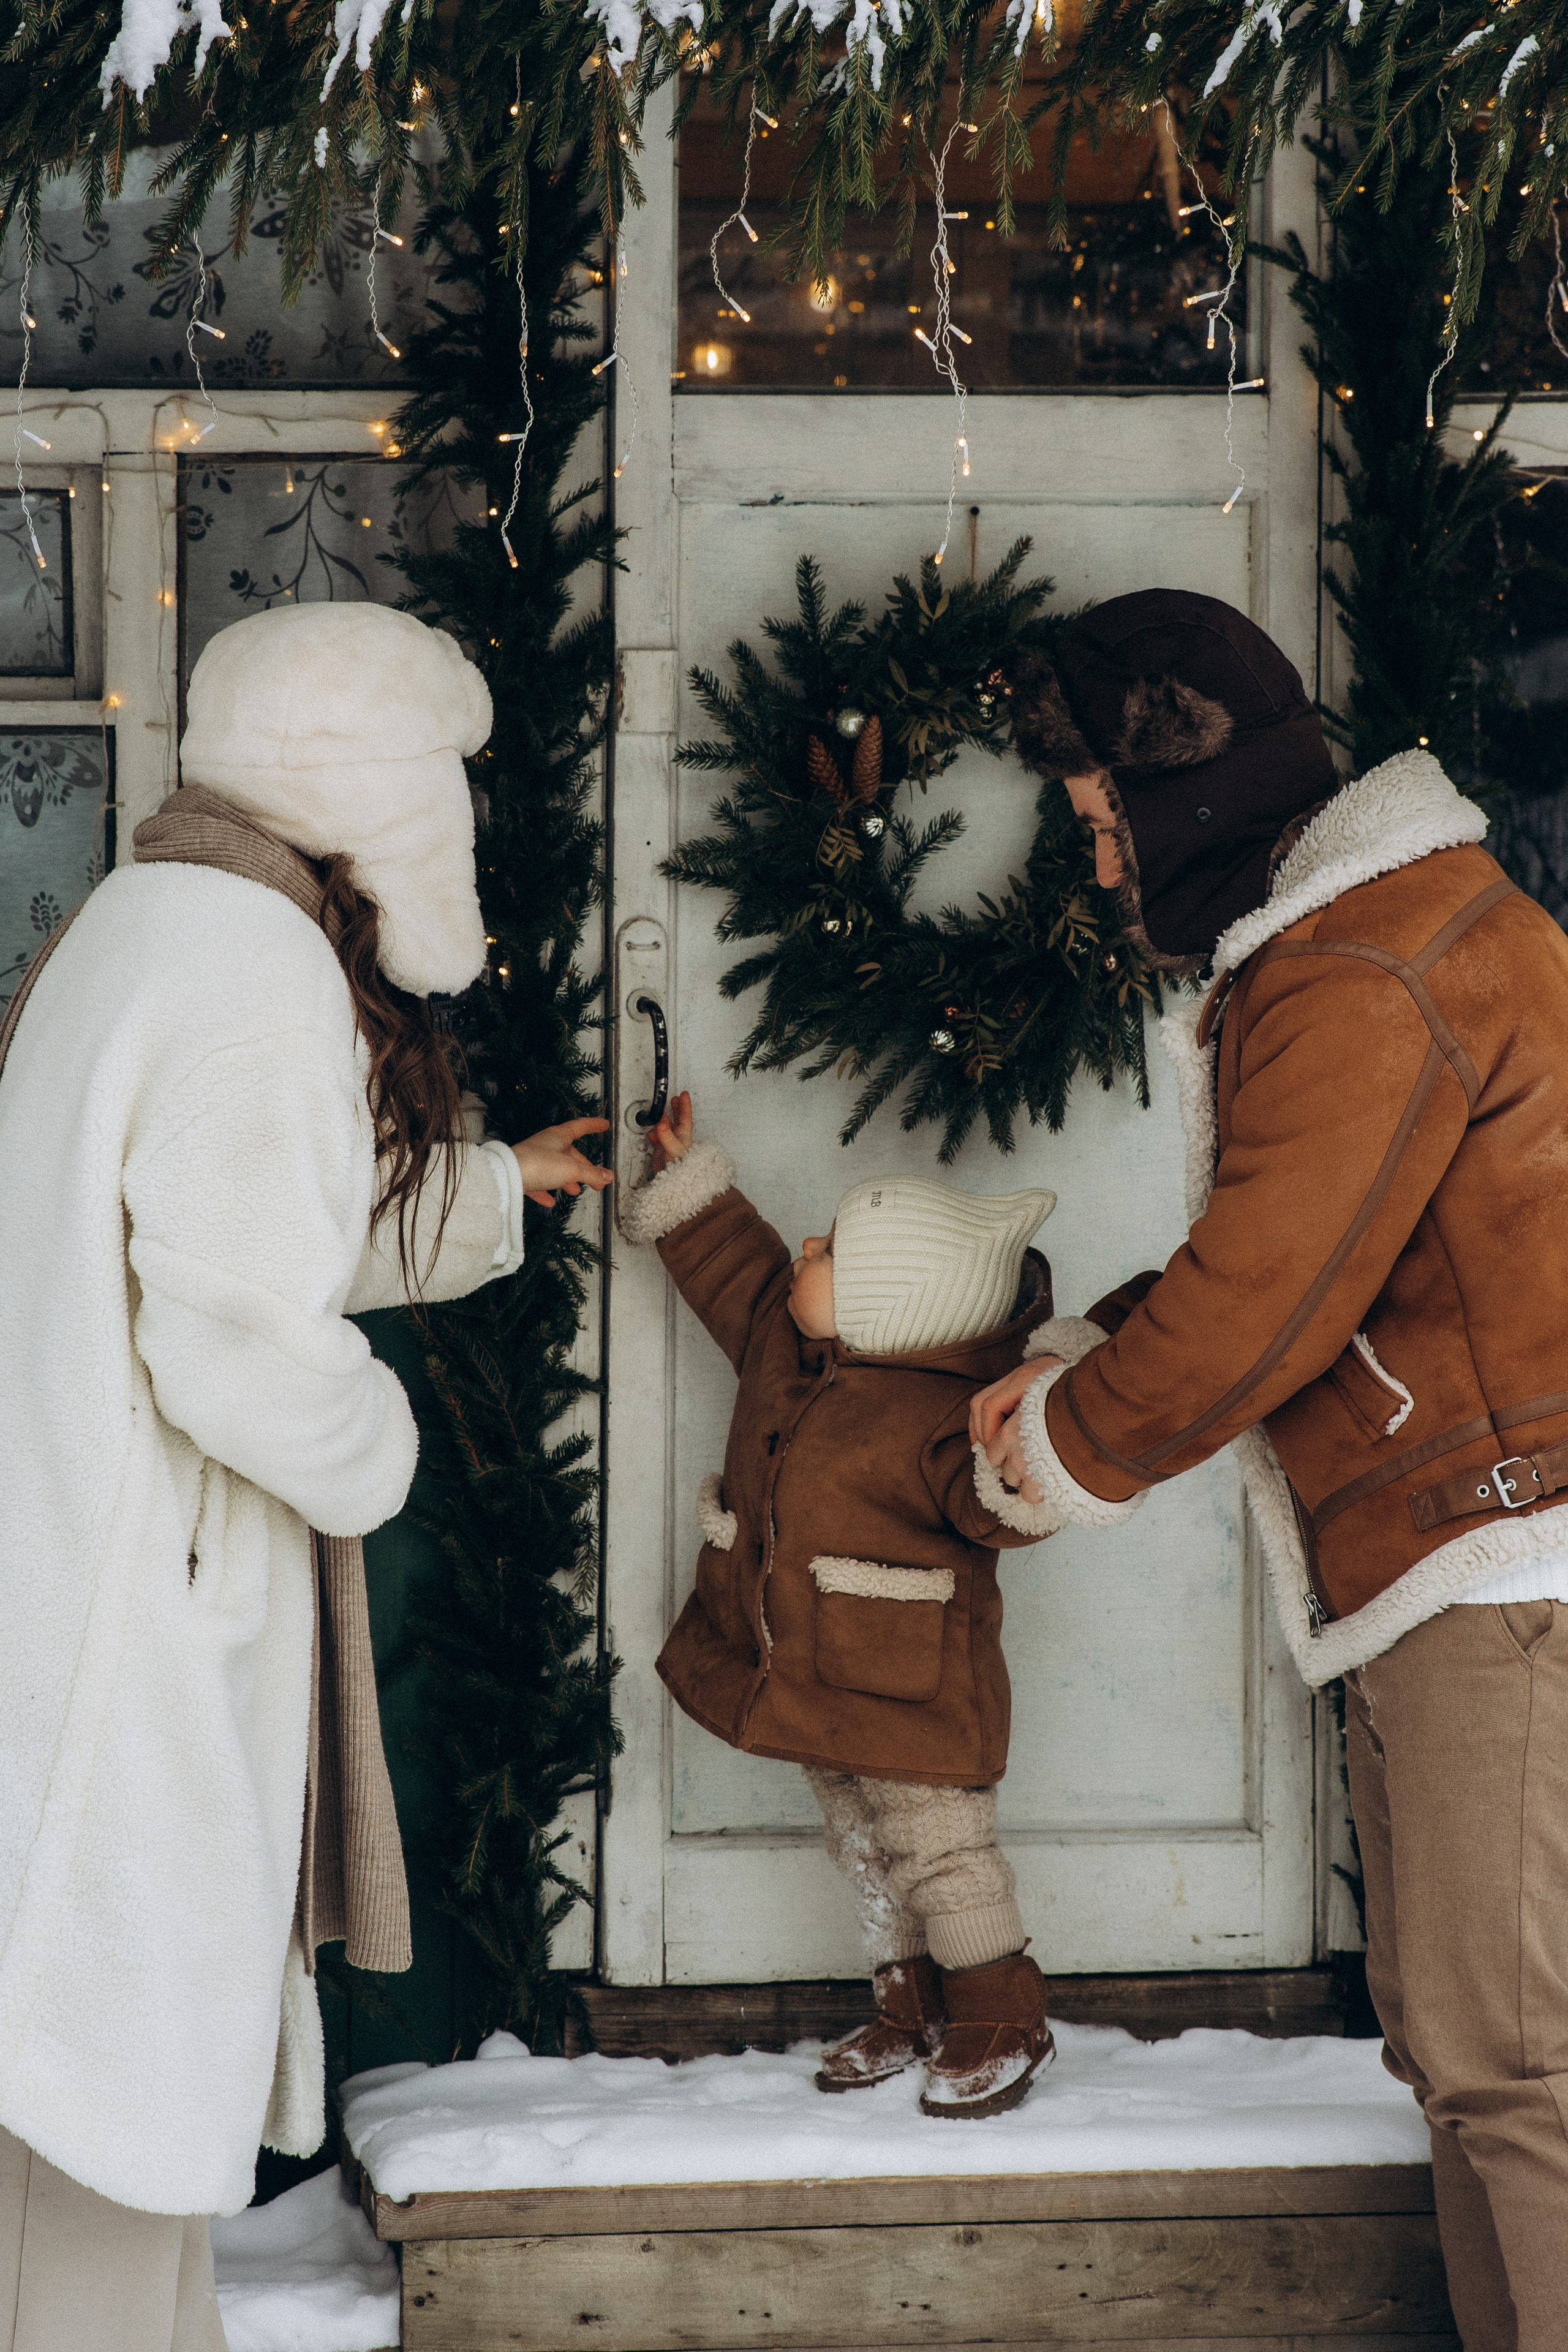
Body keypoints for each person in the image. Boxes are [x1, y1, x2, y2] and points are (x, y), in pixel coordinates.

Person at [0, 603, 612, 2352]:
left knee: (92, 2161)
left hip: (63, 1601)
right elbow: (234, 1335)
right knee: (99, 2127)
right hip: (138, 1636)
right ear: (374, 792)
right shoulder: (261, 979)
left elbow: (237, 1230)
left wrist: (496, 1192)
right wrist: (370, 1449)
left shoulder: (153, 923)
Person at [974, 587, 1568, 2352]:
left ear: (1187, 793)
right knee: (1468, 2059)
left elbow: (1272, 1295)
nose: (1096, 863)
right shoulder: (1374, 938)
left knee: (1520, 2068)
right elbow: (1325, 1245)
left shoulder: (1367, 963)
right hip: (1457, 1549)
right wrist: (1094, 1351)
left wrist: (1064, 1451)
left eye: (1099, 821)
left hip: (1504, 1565)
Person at [624, 1088, 1067, 2117]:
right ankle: (909, 2003)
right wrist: (689, 1183)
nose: (805, 1248)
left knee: (940, 1853)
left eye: (830, 1254)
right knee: (863, 1845)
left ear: (891, 1303)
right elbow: (738, 1266)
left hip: (910, 1689)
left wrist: (1024, 1470)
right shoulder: (789, 1344)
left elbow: (1001, 1506)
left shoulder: (947, 1415)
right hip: (815, 1671)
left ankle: (1002, 2013)